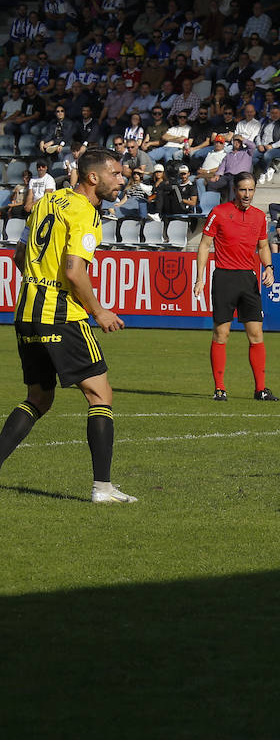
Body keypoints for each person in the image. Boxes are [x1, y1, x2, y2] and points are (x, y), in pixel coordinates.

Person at [0, 148, 133, 502]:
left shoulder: (48, 200)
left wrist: (39, 284)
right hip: (61, 315)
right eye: (116, 174)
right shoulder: (87, 214)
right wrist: (99, 310)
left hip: (26, 311)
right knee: (100, 394)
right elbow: (74, 271)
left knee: (38, 398)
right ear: (94, 177)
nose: (122, 180)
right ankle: (102, 488)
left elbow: (18, 255)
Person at [192, 173, 277, 402]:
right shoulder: (219, 213)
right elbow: (204, 245)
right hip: (224, 278)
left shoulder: (260, 217)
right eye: (242, 190)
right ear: (235, 190)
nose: (247, 195)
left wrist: (269, 267)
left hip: (248, 280)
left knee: (256, 334)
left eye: (250, 190)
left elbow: (263, 246)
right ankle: (220, 388)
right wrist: (200, 278)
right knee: (222, 333)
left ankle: (260, 389)